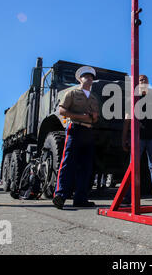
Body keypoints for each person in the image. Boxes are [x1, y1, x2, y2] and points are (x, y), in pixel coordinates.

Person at [53, 66, 100, 209]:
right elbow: (62, 110)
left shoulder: (93, 98)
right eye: (86, 76)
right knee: (68, 162)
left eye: (91, 77)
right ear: (80, 79)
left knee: (86, 167)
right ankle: (60, 195)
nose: (89, 79)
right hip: (75, 129)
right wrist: (81, 116)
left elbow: (96, 118)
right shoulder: (72, 93)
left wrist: (94, 117)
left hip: (88, 131)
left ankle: (80, 198)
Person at [122, 74, 152, 205]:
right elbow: (127, 120)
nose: (142, 81)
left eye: (144, 79)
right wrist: (124, 138)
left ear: (148, 82)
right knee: (133, 166)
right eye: (140, 80)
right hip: (138, 138)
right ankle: (128, 197)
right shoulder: (132, 98)